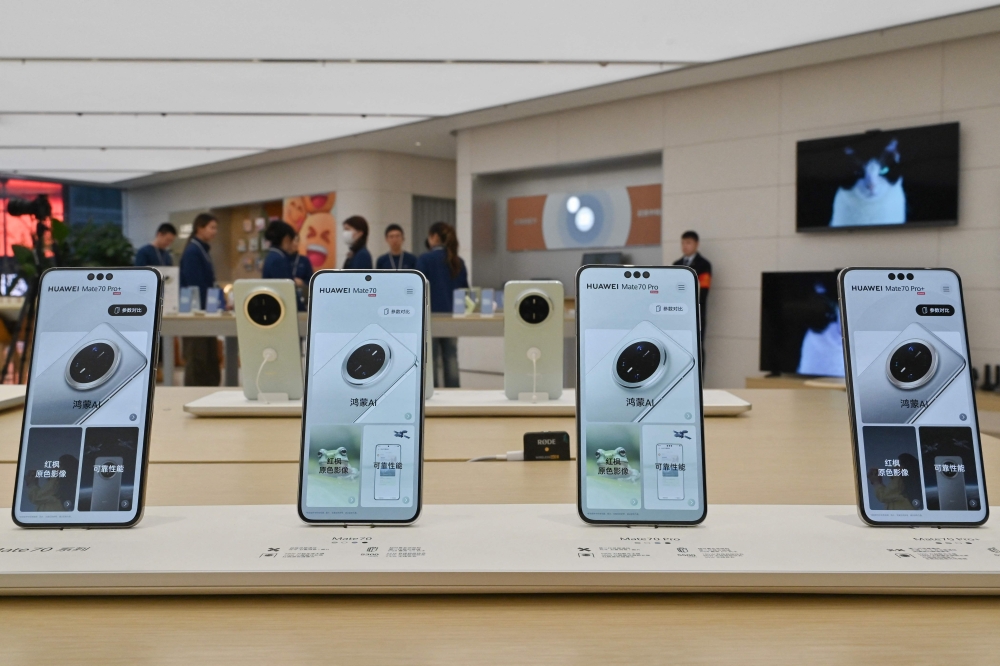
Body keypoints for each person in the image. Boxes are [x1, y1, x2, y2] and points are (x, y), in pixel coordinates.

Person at [416, 221, 468, 388]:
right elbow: (464, 292)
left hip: (430, 317)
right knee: (451, 357)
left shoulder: (425, 259)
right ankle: (455, 393)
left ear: (435, 237)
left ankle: (433, 393)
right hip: (452, 317)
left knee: (430, 359)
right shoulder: (457, 261)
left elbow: (418, 289)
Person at [180, 213, 221, 386]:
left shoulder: (202, 250)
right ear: (200, 228)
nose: (215, 232)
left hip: (206, 311)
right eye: (212, 227)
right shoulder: (192, 251)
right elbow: (194, 285)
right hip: (196, 312)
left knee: (209, 357)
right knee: (198, 357)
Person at [262, 220, 312, 310]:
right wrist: (302, 312)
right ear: (286, 239)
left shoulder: (272, 256)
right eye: (292, 240)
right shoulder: (279, 259)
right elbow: (288, 292)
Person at [673, 230, 712, 342]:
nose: (685, 246)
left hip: (696, 312)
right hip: (678, 313)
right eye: (683, 243)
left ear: (696, 244)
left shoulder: (704, 264)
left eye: (688, 243)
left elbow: (703, 291)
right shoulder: (677, 264)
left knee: (697, 346)